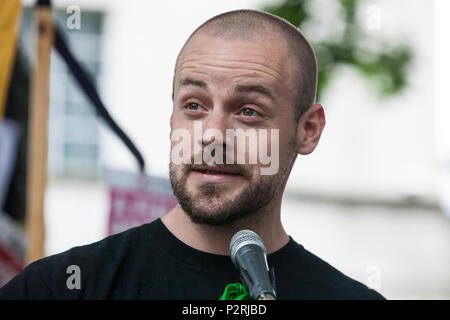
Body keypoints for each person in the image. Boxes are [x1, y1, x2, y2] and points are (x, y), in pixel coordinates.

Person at [0, 9, 384, 300]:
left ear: (309, 130)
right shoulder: (59, 288)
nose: (212, 135)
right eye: (195, 106)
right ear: (172, 116)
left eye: (248, 111)